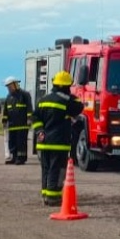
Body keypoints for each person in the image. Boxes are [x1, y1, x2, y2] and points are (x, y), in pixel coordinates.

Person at [30, 71, 84, 206]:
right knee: (57, 169)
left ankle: (45, 195)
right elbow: (79, 107)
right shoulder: (67, 101)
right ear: (66, 87)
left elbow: (35, 118)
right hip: (58, 143)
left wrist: (39, 131)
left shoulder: (43, 100)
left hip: (43, 143)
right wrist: (69, 96)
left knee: (46, 169)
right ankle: (53, 197)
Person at [1, 76, 33, 165]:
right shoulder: (8, 97)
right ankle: (14, 157)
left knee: (21, 142)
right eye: (8, 87)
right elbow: (6, 111)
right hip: (12, 125)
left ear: (15, 85)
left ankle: (21, 158)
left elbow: (29, 108)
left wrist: (29, 119)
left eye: (10, 86)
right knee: (12, 142)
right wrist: (4, 121)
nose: (9, 88)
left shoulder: (25, 94)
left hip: (22, 124)